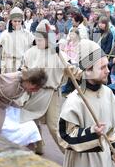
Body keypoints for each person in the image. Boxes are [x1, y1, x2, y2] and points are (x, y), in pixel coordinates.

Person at [58, 39, 115, 167]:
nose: (108, 71)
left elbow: (112, 128)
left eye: (107, 66)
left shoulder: (108, 94)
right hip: (83, 164)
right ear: (87, 70)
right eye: (102, 67)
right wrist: (91, 132)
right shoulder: (75, 101)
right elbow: (65, 136)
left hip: (104, 162)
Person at [19, 20, 81, 155]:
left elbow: (71, 70)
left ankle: (69, 154)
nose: (37, 41)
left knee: (54, 126)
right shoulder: (30, 52)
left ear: (48, 40)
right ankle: (38, 146)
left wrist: (82, 75)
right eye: (36, 38)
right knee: (31, 121)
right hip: (34, 94)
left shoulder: (58, 54)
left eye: (41, 39)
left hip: (51, 93)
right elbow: (24, 68)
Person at [0, 68, 47, 136]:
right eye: (35, 88)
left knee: (30, 124)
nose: (36, 90)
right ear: (29, 81)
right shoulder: (10, 85)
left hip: (4, 104)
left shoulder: (22, 83)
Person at [0, 7, 34, 73]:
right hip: (8, 64)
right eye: (15, 21)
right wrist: (0, 66)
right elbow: (0, 52)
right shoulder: (5, 34)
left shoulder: (27, 34)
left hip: (22, 64)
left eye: (19, 21)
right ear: (11, 21)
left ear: (22, 21)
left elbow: (33, 48)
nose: (17, 23)